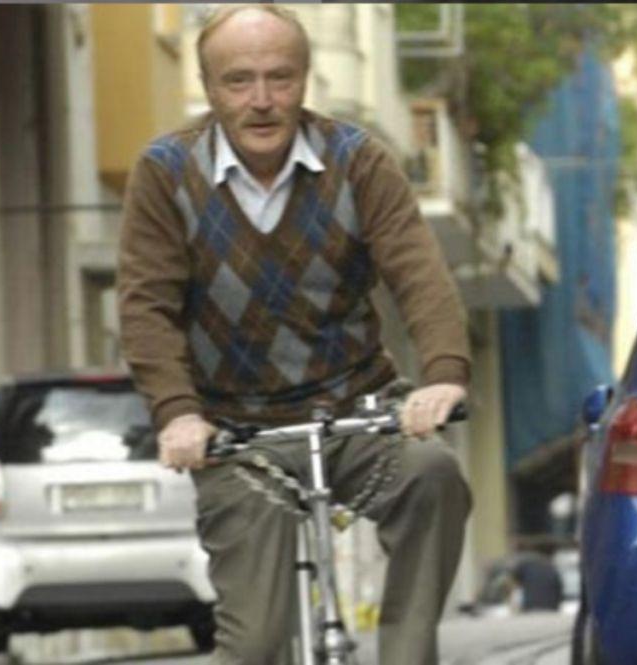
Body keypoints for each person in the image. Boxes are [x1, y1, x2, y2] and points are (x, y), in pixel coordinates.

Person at [118, 6, 473, 664]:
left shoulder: (358, 160)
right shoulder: (165, 172)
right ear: (209, 86)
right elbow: (146, 307)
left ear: (305, 80)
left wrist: (444, 373)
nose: (261, 100)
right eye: (238, 80)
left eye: (279, 78)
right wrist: (177, 412)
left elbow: (419, 274)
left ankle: (405, 654)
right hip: (237, 438)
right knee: (254, 643)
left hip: (356, 414)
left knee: (434, 476)